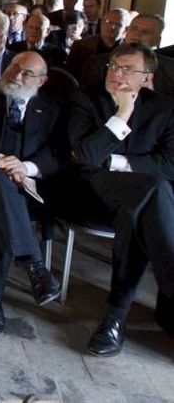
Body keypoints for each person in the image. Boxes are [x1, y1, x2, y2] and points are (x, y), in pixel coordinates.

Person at [68, 43, 174, 356]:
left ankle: (115, 317)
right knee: (152, 190)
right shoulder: (86, 98)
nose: (117, 73)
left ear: (147, 78)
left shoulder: (166, 108)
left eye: (128, 69)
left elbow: (170, 164)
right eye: (114, 65)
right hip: (93, 192)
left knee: (138, 207)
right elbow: (85, 156)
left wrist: (114, 161)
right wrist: (122, 113)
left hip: (139, 198)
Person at [0, 52, 65, 334]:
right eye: (14, 67)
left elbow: (57, 153)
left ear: (41, 81)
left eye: (27, 73)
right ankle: (32, 266)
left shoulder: (53, 108)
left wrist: (27, 167)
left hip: (28, 184)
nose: (17, 75)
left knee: (0, 207)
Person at [67, 8, 129, 87]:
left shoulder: (128, 50)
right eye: (108, 22)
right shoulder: (81, 45)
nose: (112, 27)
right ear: (101, 24)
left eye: (118, 24)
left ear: (126, 29)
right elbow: (70, 74)